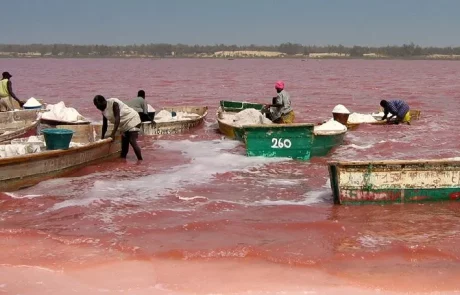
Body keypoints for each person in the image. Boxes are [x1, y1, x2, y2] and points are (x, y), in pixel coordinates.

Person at [93, 95, 143, 160]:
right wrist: (102, 138)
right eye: (96, 106)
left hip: (132, 119)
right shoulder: (103, 111)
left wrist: (112, 134)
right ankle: (123, 165)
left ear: (103, 102)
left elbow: (117, 119)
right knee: (124, 147)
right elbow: (105, 125)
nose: (98, 108)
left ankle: (140, 161)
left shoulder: (113, 103)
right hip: (123, 125)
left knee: (132, 140)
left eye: (98, 106)